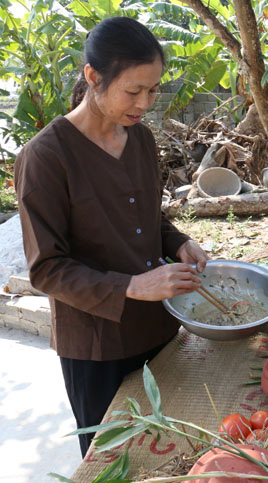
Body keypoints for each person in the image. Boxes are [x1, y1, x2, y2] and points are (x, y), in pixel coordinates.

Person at [14, 17, 208, 457]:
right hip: (96, 346)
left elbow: (145, 216)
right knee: (112, 460)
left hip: (157, 329)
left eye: (154, 89)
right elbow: (47, 269)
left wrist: (176, 241)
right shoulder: (45, 157)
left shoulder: (139, 138)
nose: (146, 102)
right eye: (133, 90)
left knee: (168, 451)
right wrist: (132, 286)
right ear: (92, 77)